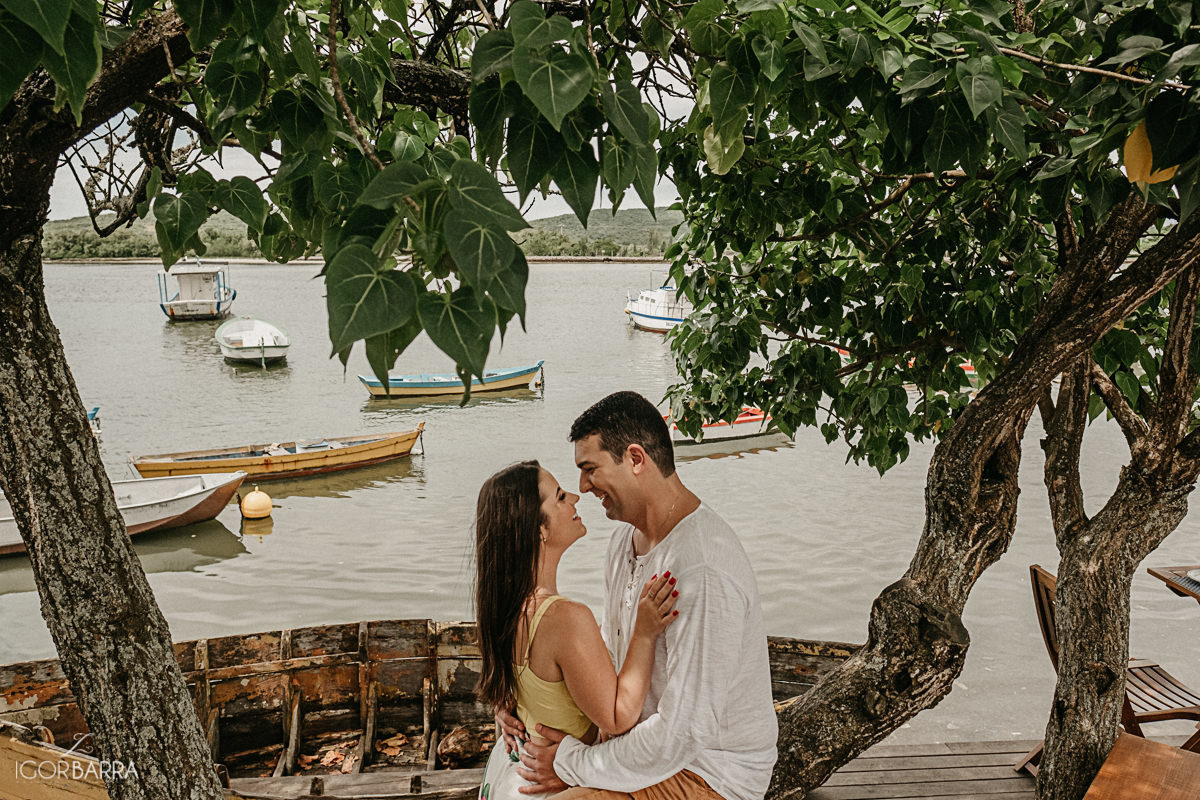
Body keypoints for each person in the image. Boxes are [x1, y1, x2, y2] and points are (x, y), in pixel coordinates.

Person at [503, 391, 778, 800]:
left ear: (635, 459)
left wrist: (571, 764)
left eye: (589, 468)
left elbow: (683, 734)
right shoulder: (621, 545)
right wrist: (519, 704)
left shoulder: (702, 567)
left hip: (707, 772)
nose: (581, 486)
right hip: (635, 748)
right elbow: (611, 662)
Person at [474, 460, 680, 800]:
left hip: (512, 773)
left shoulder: (502, 610)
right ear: (538, 529)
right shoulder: (565, 619)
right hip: (552, 785)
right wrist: (644, 632)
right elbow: (617, 716)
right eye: (559, 497)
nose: (575, 497)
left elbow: (524, 689)